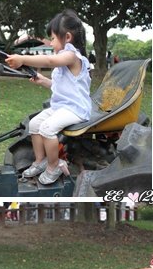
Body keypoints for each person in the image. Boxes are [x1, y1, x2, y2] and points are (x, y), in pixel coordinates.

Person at [5, 9, 91, 185]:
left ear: (67, 37)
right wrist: (42, 80)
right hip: (62, 107)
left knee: (47, 128)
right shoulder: (63, 61)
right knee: (34, 124)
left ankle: (55, 165)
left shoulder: (72, 56)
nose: (50, 43)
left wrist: (23, 59)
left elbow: (50, 61)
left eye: (52, 38)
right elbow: (58, 86)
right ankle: (40, 161)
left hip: (76, 109)